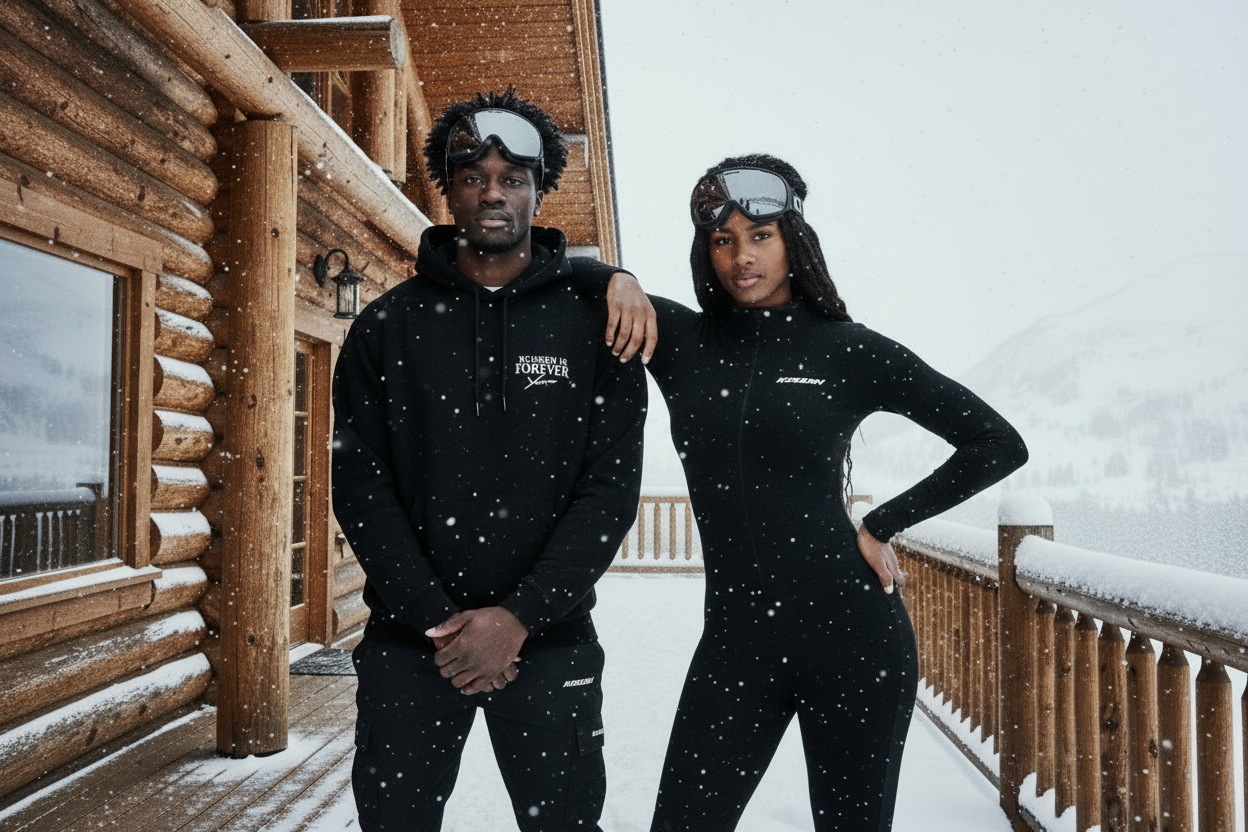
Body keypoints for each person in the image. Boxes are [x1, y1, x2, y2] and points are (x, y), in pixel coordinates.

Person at [596, 154, 1028, 831]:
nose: (742, 256)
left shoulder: (848, 350)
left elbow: (996, 443)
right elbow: (554, 274)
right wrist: (616, 276)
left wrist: (882, 523)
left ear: (793, 239)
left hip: (854, 641)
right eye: (723, 239)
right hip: (736, 646)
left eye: (760, 235)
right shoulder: (682, 342)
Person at [331, 88, 646, 832]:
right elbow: (360, 485)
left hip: (551, 643)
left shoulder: (594, 324)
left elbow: (609, 492)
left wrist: (518, 618)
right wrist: (444, 622)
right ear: (449, 188)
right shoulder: (386, 327)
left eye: (512, 179)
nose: (493, 193)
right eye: (474, 177)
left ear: (540, 190)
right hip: (411, 647)